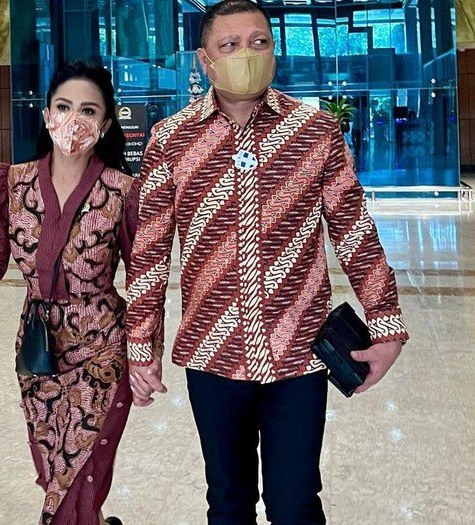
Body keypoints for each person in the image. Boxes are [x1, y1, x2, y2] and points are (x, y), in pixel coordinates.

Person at [125, 1, 409, 524]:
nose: (247, 54)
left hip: (299, 352)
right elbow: (149, 252)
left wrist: (387, 326)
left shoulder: (315, 131)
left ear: (274, 51)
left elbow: (354, 231)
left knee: (295, 504)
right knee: (227, 502)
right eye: (229, 45)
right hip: (213, 353)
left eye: (259, 42)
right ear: (205, 60)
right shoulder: (171, 138)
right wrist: (141, 347)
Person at [0, 62, 145, 525]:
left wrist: (147, 355)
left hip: (103, 346)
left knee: (79, 477)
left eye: (88, 110)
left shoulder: (122, 191)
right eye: (63, 107)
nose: (73, 120)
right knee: (53, 469)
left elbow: (143, 279)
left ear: (105, 125)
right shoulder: (12, 183)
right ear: (46, 115)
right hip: (38, 349)